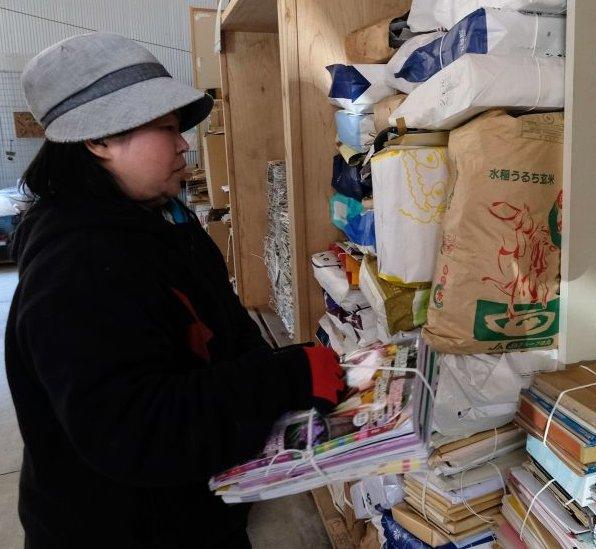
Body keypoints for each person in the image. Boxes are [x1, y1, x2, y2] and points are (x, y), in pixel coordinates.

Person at [5, 33, 346, 547]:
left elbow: (224, 328)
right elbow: (138, 431)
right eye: (166, 128)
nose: (185, 143)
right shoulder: (75, 267)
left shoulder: (164, 222)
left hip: (195, 509)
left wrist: (287, 372)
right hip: (121, 530)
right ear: (98, 140)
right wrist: (286, 376)